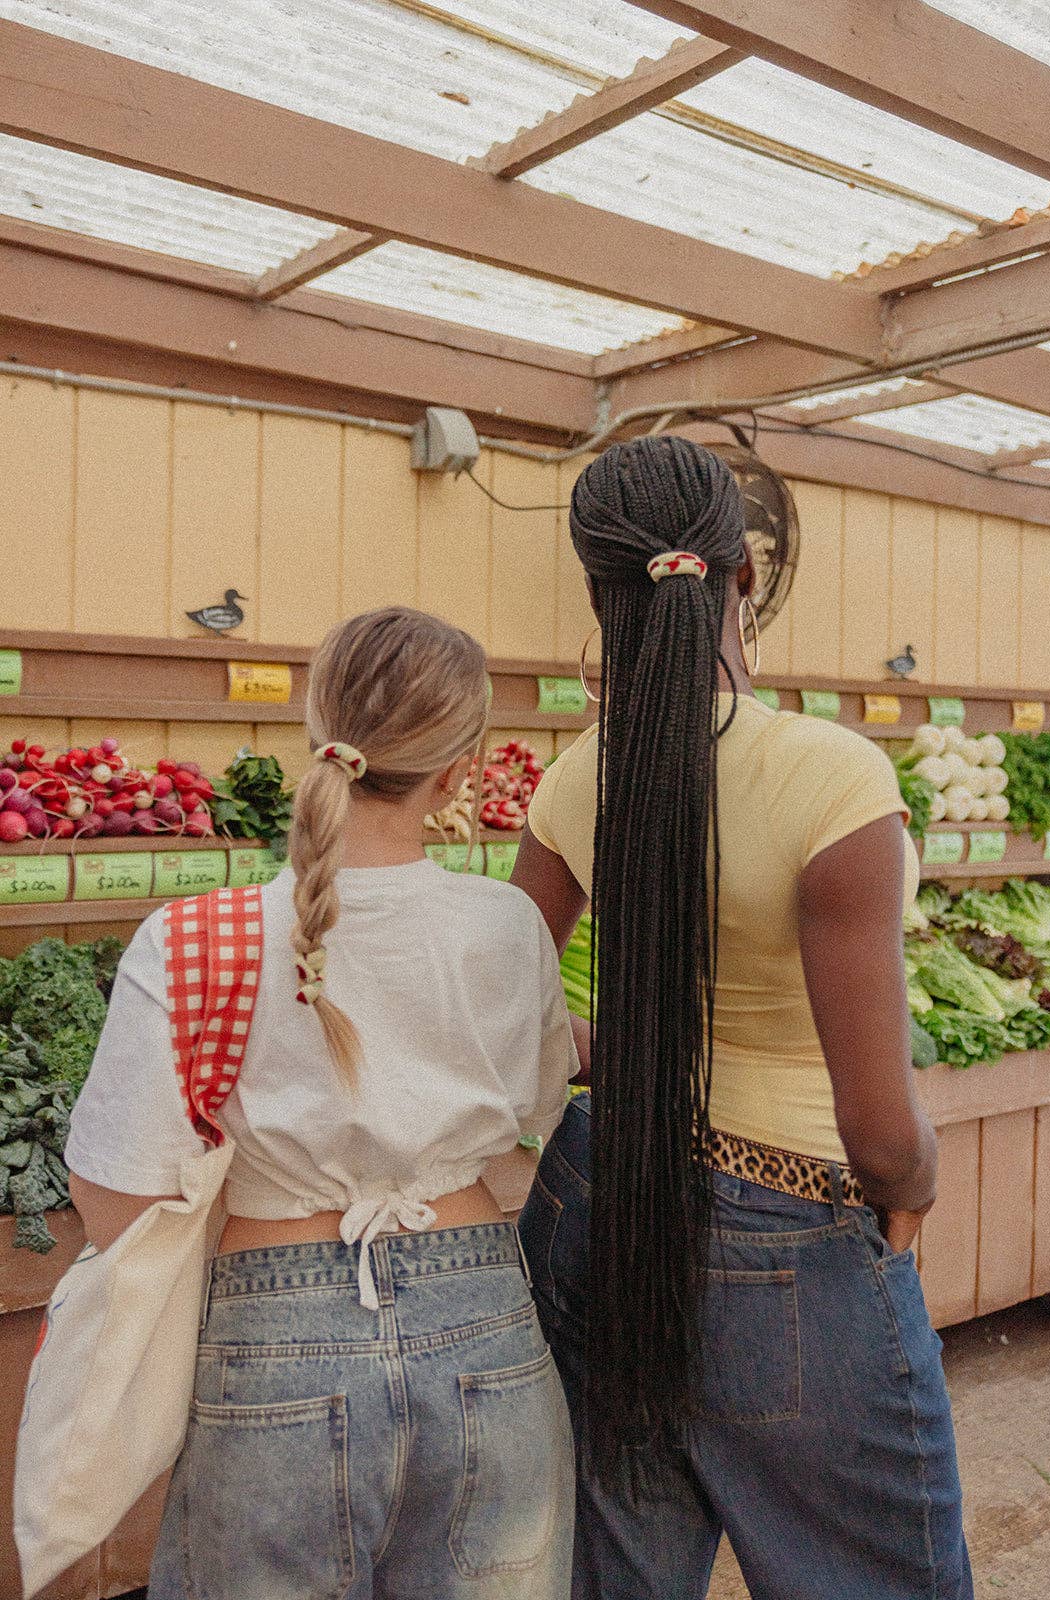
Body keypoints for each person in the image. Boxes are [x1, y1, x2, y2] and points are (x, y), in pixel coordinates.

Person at [513, 436, 973, 1600]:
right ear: (743, 577)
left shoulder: (577, 776)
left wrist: (612, 1051)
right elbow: (879, 1132)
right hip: (791, 1230)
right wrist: (911, 1185)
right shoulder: (832, 778)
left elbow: (504, 1011)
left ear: (595, 593)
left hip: (598, 1202)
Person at [64, 607, 577, 1600]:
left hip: (267, 1334)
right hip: (485, 1323)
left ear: (314, 730)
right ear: (458, 770)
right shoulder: (506, 925)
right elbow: (535, 1107)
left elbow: (110, 1194)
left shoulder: (192, 938)